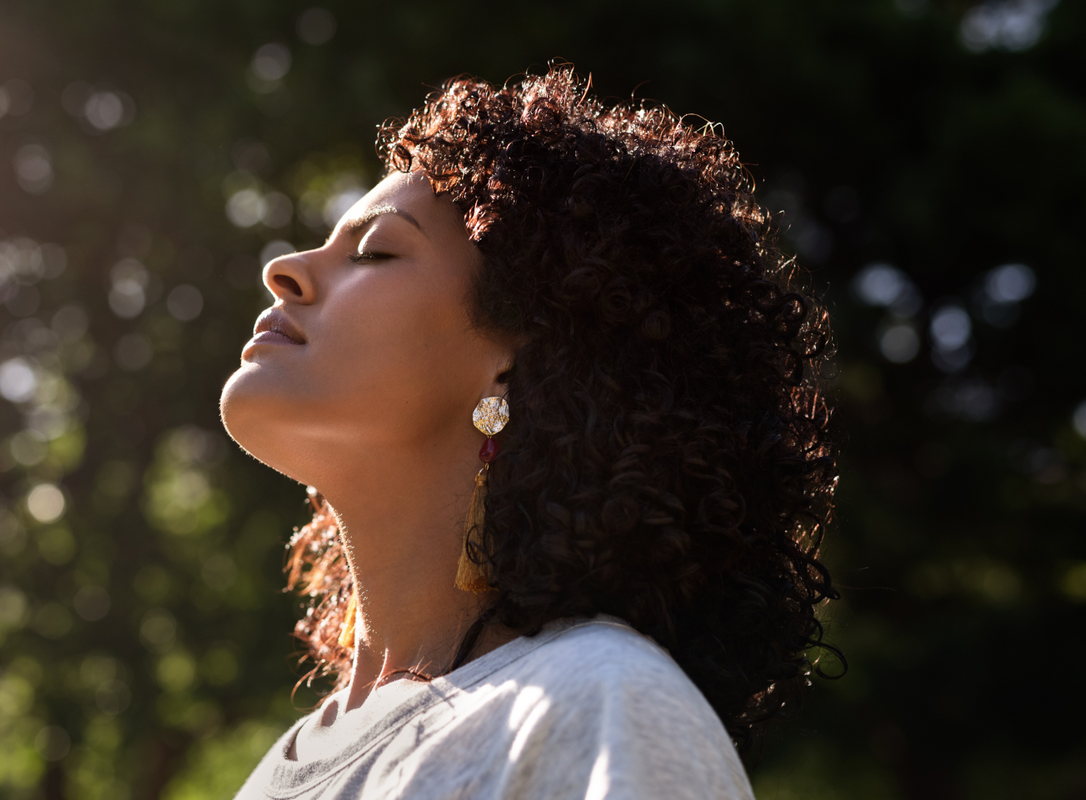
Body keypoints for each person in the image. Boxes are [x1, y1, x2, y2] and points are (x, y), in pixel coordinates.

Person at [218, 66, 840, 798]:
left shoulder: (601, 703)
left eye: (375, 251)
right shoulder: (278, 771)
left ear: (518, 364)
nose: (284, 269)